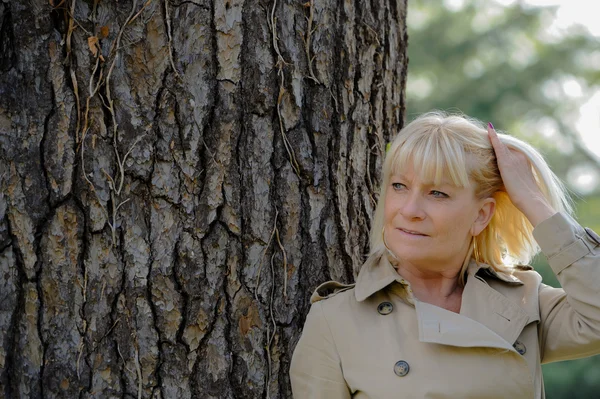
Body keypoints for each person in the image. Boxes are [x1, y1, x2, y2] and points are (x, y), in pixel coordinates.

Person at [289, 112, 600, 399]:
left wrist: (531, 199)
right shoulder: (336, 321)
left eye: (437, 193)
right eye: (399, 186)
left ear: (481, 215)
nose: (409, 211)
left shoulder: (522, 302)